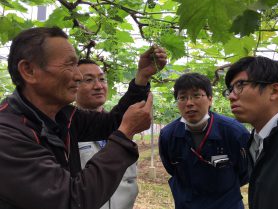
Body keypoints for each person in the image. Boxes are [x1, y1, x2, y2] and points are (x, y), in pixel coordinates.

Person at [0, 27, 167, 209]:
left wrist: (141, 78)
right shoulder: (7, 136)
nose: (78, 76)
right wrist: (125, 134)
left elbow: (111, 122)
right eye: (69, 65)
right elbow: (71, 201)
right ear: (29, 71)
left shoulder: (63, 116)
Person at [159, 72, 250, 209]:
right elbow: (171, 168)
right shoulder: (168, 135)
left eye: (196, 96)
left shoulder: (234, 132)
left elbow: (245, 172)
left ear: (210, 99)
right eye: (182, 97)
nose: (189, 103)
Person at [223, 56, 278, 209]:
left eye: (240, 85)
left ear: (274, 91)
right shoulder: (257, 141)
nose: (231, 96)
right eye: (230, 90)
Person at [76, 59, 138, 209]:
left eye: (102, 79)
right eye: (88, 80)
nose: (98, 86)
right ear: (73, 86)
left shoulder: (122, 124)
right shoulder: (66, 128)